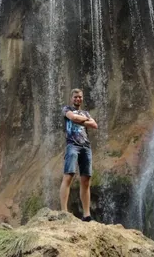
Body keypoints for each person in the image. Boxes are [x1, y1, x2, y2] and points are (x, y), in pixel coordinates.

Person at [59, 88, 98, 222]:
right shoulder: (66, 109)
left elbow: (94, 125)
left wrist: (81, 119)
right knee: (68, 176)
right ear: (71, 98)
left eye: (80, 97)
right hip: (72, 146)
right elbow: (73, 117)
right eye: (75, 97)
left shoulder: (85, 112)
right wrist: (84, 120)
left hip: (86, 146)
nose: (78, 99)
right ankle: (64, 211)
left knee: (86, 180)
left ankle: (86, 215)